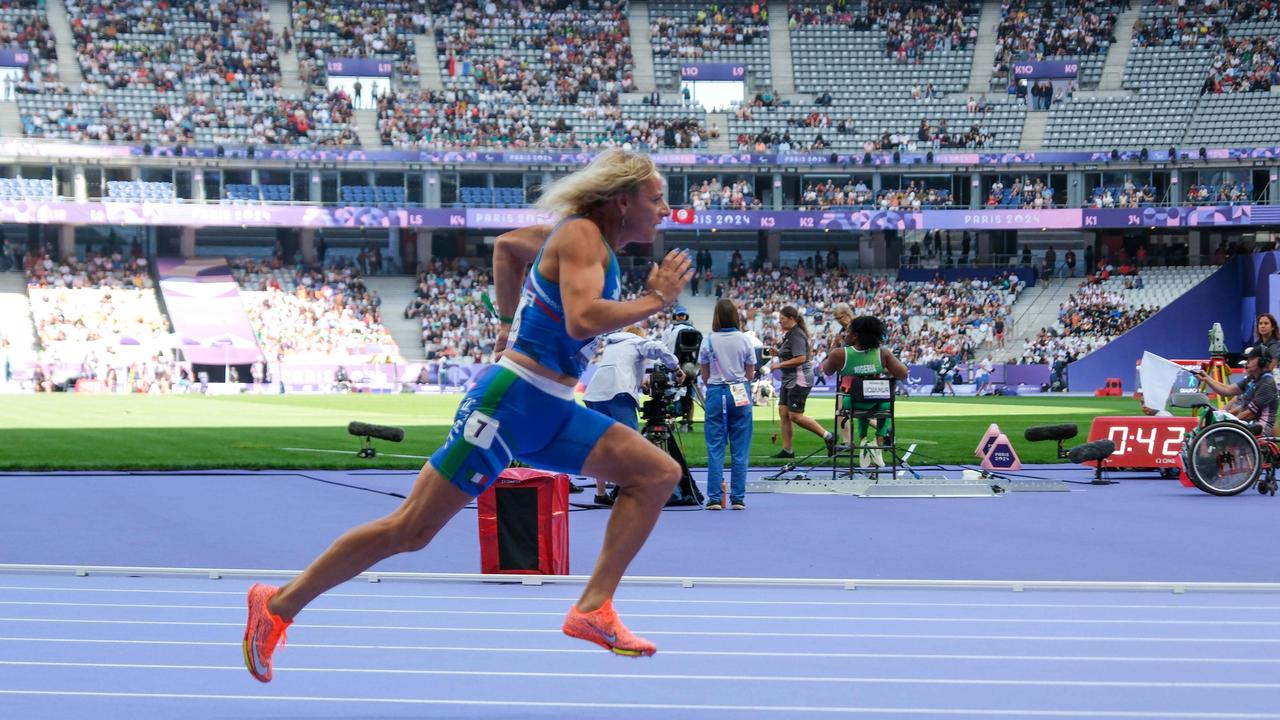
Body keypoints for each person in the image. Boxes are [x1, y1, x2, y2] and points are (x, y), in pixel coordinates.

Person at [243, 149, 691, 682]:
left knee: (657, 473)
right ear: (623, 201)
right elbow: (581, 320)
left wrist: (506, 322)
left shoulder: (581, 241)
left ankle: (593, 608)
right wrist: (655, 300)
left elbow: (506, 250)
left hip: (549, 409)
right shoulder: (580, 237)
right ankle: (277, 605)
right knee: (409, 530)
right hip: (509, 405)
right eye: (657, 198)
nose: (666, 210)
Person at [582, 325, 680, 505]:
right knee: (631, 445)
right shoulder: (637, 342)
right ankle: (631, 492)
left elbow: (626, 368)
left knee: (600, 446)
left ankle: (601, 494)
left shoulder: (612, 345)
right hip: (618, 393)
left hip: (594, 394)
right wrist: (675, 367)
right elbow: (658, 348)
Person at [820, 316, 908, 468]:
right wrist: (883, 368)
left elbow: (826, 371)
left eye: (847, 332)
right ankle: (877, 443)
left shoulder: (840, 354)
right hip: (877, 402)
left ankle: (863, 441)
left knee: (860, 398)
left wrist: (833, 348)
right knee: (884, 403)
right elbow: (903, 374)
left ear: (855, 335)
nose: (844, 335)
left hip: (851, 403)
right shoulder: (882, 353)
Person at [699, 299, 756, 510]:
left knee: (715, 446)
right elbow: (749, 373)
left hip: (716, 390)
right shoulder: (744, 339)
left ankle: (714, 498)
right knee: (740, 447)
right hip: (739, 389)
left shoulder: (709, 340)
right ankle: (738, 498)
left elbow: (704, 374)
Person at [770, 305, 835, 458]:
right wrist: (778, 353)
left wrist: (779, 364)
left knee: (795, 416)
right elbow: (793, 355)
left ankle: (828, 436)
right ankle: (787, 450)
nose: (780, 322)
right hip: (790, 379)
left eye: (782, 320)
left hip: (800, 379)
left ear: (791, 319)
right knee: (783, 412)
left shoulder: (796, 335)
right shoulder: (790, 334)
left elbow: (801, 358)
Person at [1192, 345, 1277, 430]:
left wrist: (1225, 423)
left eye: (1251, 359)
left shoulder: (1267, 383)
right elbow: (1227, 390)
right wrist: (1206, 378)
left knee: (1215, 429)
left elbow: (1249, 414)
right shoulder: (1252, 379)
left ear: (1261, 361)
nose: (1247, 362)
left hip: (1259, 429)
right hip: (1249, 425)